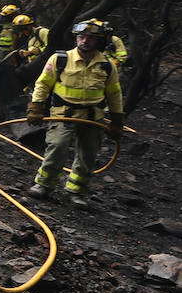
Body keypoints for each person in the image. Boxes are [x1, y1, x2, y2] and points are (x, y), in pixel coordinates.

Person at [25, 19, 125, 205]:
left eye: (90, 38)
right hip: (64, 114)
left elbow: (114, 93)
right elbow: (43, 84)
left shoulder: (107, 65)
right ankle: (44, 185)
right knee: (57, 146)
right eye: (82, 36)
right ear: (76, 38)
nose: (85, 41)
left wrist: (117, 120)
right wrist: (36, 107)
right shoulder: (60, 59)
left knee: (88, 154)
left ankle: (77, 191)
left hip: (93, 117)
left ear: (99, 41)